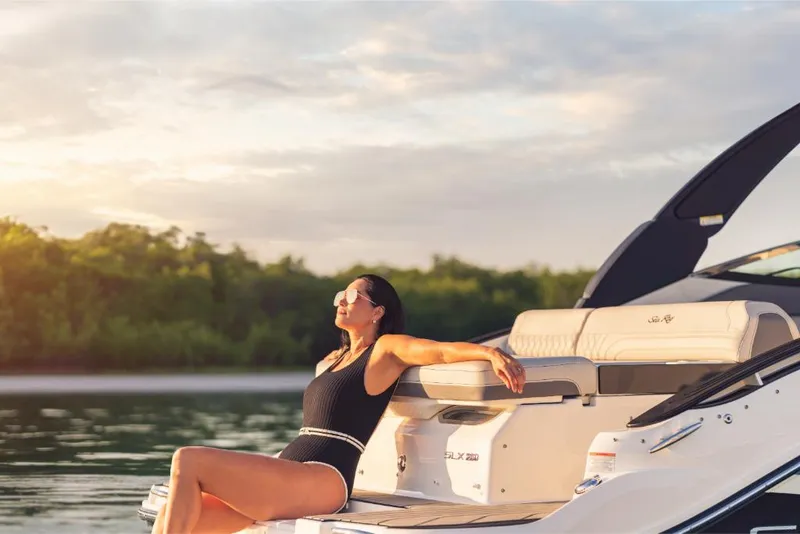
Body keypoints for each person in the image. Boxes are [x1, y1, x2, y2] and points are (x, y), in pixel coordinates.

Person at [151, 273, 527, 534]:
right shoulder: (334, 360)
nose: (341, 302)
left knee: (189, 459)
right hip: (292, 470)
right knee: (171, 513)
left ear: (377, 311)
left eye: (352, 297)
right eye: (339, 296)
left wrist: (487, 353)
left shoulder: (385, 350)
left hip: (324, 476)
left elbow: (439, 352)